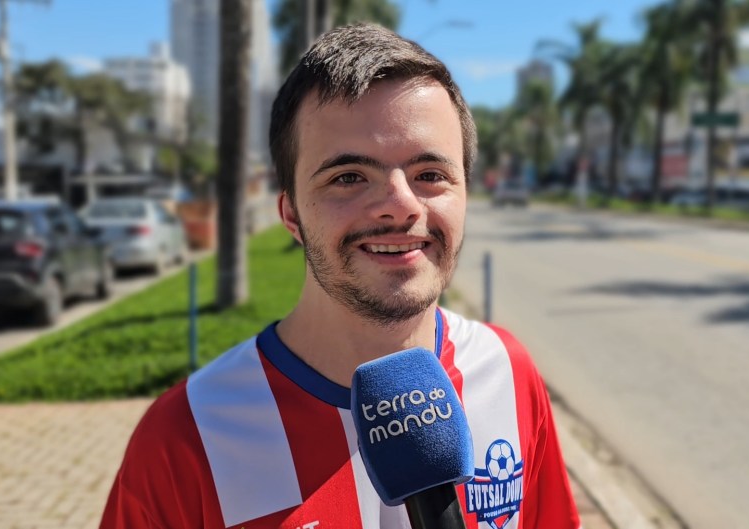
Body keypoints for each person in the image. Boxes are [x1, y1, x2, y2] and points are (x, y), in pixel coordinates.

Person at [101, 23, 580, 529]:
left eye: (430, 175)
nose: (401, 205)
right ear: (291, 215)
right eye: (348, 177)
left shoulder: (508, 372)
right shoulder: (187, 436)